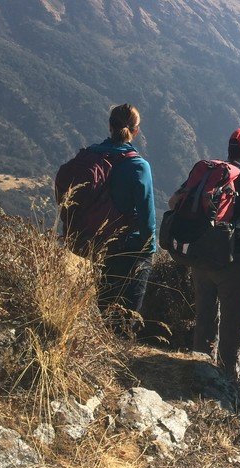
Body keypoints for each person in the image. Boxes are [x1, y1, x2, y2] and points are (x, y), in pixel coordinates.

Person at [176, 128, 240, 381]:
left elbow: (174, 202)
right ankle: (226, 383)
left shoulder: (209, 173)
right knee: (233, 327)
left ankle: (198, 374)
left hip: (203, 255)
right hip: (237, 258)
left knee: (204, 318)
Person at [92, 104, 156, 315]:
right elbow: (147, 214)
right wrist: (149, 248)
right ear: (135, 131)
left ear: (109, 126)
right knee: (128, 314)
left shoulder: (92, 156)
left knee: (104, 304)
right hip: (130, 246)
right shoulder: (137, 165)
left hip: (97, 242)